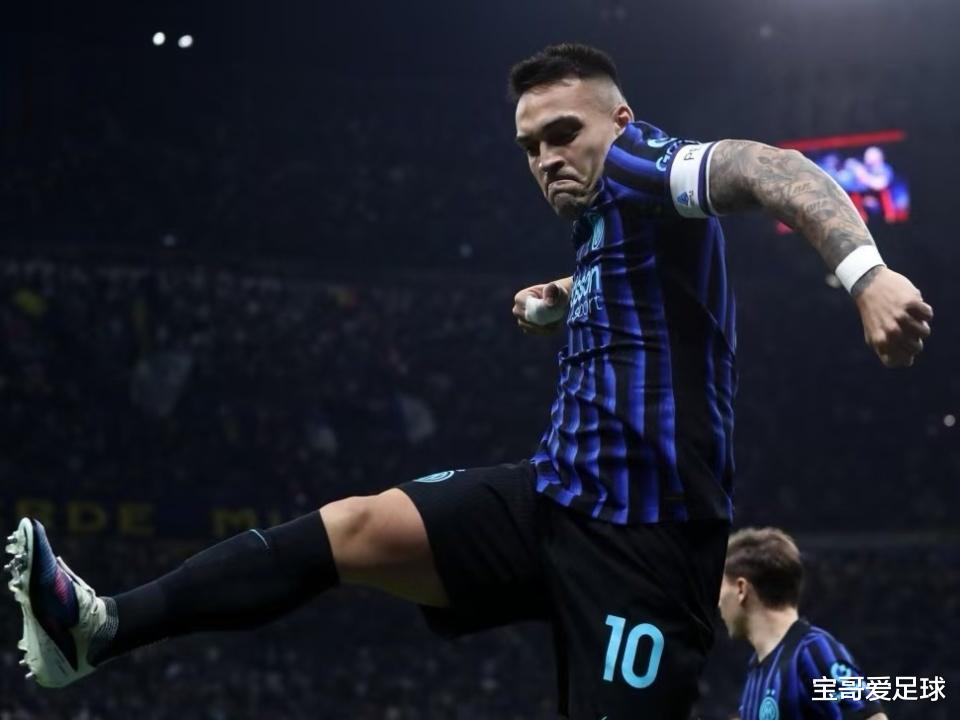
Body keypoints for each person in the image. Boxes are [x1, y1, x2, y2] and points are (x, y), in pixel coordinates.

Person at [5, 43, 932, 719]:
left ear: (620, 122)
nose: (546, 158)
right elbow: (643, 284)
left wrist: (866, 275)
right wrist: (568, 297)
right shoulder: (605, 220)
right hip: (556, 498)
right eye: (529, 146)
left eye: (563, 134)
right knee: (351, 527)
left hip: (645, 548)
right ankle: (100, 628)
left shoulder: (643, 163)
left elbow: (773, 168)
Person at [719, 528, 888, 720]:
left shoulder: (812, 651)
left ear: (741, 589)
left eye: (721, 587)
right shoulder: (757, 671)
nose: (718, 602)